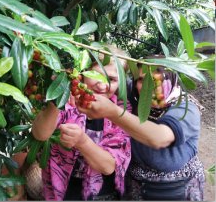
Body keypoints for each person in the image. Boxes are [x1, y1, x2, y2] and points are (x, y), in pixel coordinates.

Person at [75, 61, 206, 201]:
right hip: (134, 185)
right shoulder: (135, 95)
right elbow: (112, 75)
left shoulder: (186, 108)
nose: (150, 86)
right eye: (143, 80)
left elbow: (160, 137)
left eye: (159, 80)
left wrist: (113, 112)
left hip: (175, 188)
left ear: (173, 80)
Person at [31, 46, 132, 200]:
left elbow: (108, 166)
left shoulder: (120, 113)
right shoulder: (65, 102)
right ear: (83, 73)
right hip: (60, 193)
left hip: (102, 195)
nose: (102, 86)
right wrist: (59, 95)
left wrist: (82, 141)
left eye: (111, 79)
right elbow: (40, 134)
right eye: (97, 76)